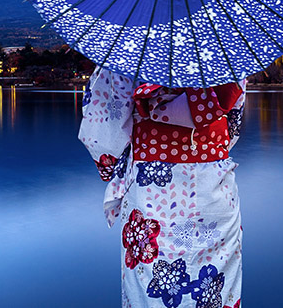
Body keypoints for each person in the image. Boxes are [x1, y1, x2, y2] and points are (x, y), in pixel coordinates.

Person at [79, 66, 245, 308]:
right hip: (214, 187)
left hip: (152, 189)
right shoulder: (226, 51)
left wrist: (114, 165)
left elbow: (102, 134)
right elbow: (232, 126)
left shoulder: (130, 51)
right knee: (215, 291)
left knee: (149, 292)